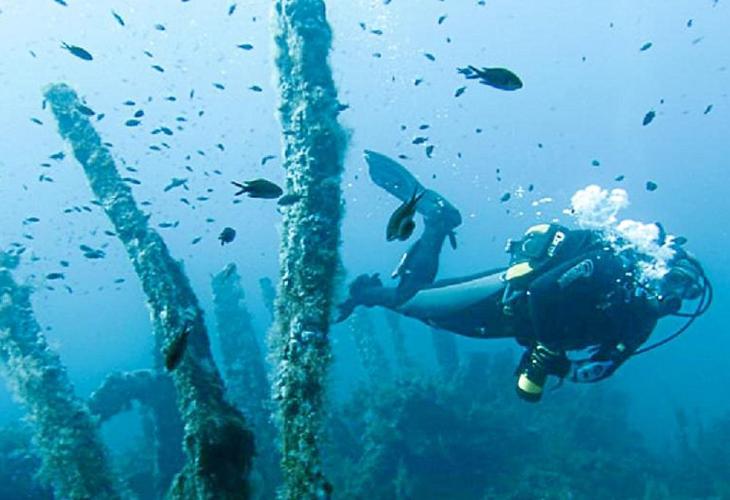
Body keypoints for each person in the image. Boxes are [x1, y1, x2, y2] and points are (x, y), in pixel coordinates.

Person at [337, 151, 712, 402]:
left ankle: (371, 289)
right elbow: (543, 289)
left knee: (431, 316)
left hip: (509, 325)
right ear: (658, 264)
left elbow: (602, 367)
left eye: (686, 292)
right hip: (503, 295)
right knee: (412, 301)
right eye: (676, 279)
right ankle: (430, 225)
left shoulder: (641, 322)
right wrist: (549, 346)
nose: (673, 292)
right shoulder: (610, 265)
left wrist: (561, 366)